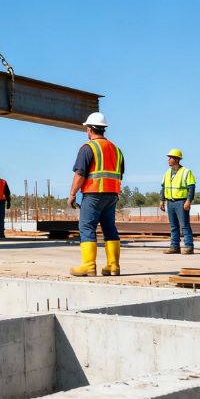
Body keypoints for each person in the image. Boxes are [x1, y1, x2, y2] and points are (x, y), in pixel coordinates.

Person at [67, 112, 124, 277]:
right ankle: (113, 266)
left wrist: (72, 194)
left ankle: (89, 266)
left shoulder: (88, 148)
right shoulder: (116, 149)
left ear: (90, 129)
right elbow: (120, 173)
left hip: (93, 194)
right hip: (112, 195)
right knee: (109, 228)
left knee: (86, 227)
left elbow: (80, 174)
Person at [159, 149, 196, 255]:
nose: (168, 160)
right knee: (173, 226)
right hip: (170, 202)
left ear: (176, 159)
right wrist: (162, 200)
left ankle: (189, 246)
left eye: (170, 158)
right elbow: (163, 187)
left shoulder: (186, 172)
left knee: (184, 225)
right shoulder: (167, 172)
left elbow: (191, 187)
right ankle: (174, 246)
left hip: (181, 202)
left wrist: (188, 201)